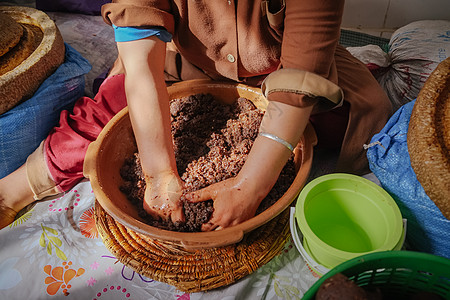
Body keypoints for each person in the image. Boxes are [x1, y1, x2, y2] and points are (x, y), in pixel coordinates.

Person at [0, 0, 392, 231]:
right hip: (189, 63)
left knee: (360, 124)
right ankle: (18, 187)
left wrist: (248, 187)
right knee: (111, 108)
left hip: (282, 69)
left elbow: (299, 84)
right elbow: (141, 63)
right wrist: (158, 172)